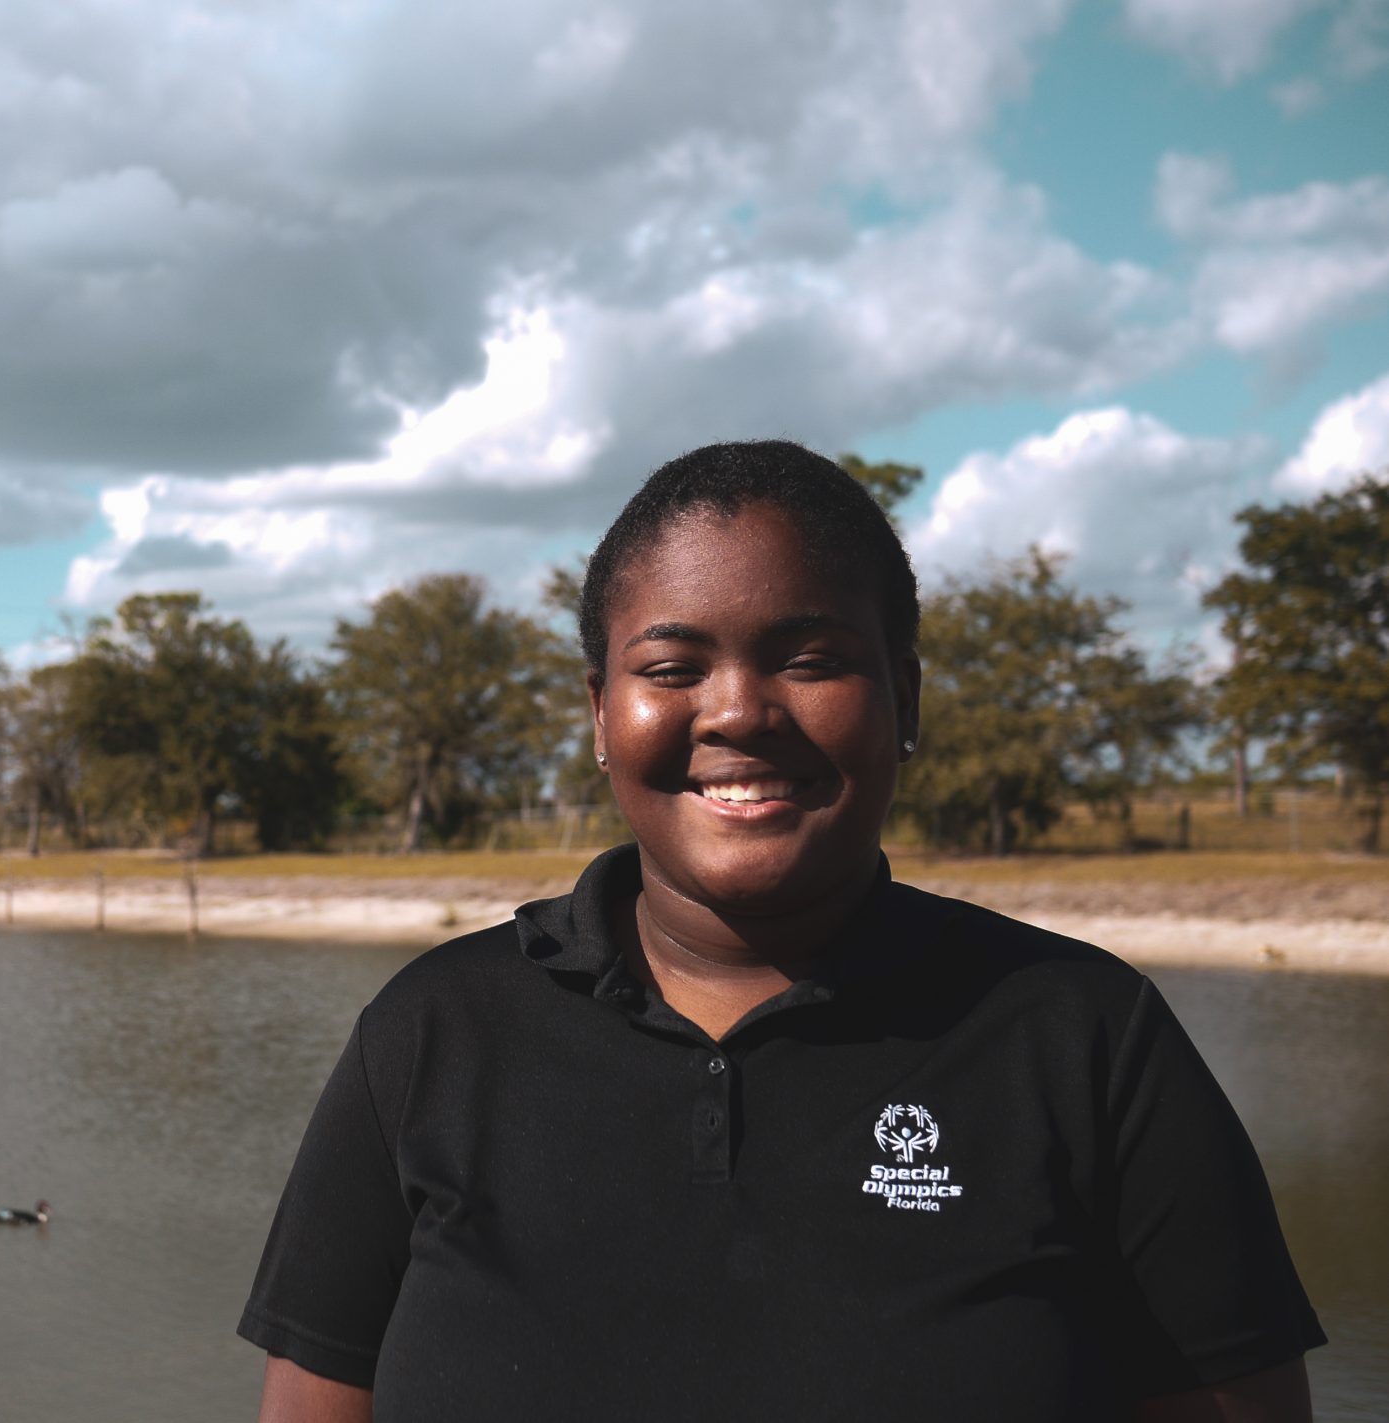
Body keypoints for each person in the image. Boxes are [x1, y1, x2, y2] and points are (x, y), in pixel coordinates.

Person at [239, 442, 1324, 1422]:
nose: (740, 712)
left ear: (904, 696)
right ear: (601, 714)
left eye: (808, 660)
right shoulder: (430, 1035)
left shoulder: (1088, 1037)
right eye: (671, 669)